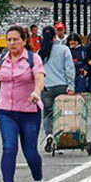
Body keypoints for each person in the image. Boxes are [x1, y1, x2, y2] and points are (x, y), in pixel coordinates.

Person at [0, 25, 46, 182]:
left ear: (24, 41)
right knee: (9, 147)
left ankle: (38, 181)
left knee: (29, 150)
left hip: (29, 111)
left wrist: (36, 92)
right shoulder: (2, 59)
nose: (12, 43)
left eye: (16, 39)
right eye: (9, 40)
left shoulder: (33, 59)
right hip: (6, 110)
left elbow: (40, 79)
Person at [39, 22, 75, 153]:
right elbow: (70, 69)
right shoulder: (64, 50)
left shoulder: (40, 53)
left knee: (47, 114)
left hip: (46, 87)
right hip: (62, 87)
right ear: (55, 37)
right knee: (61, 114)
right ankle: (60, 137)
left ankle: (49, 134)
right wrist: (71, 86)